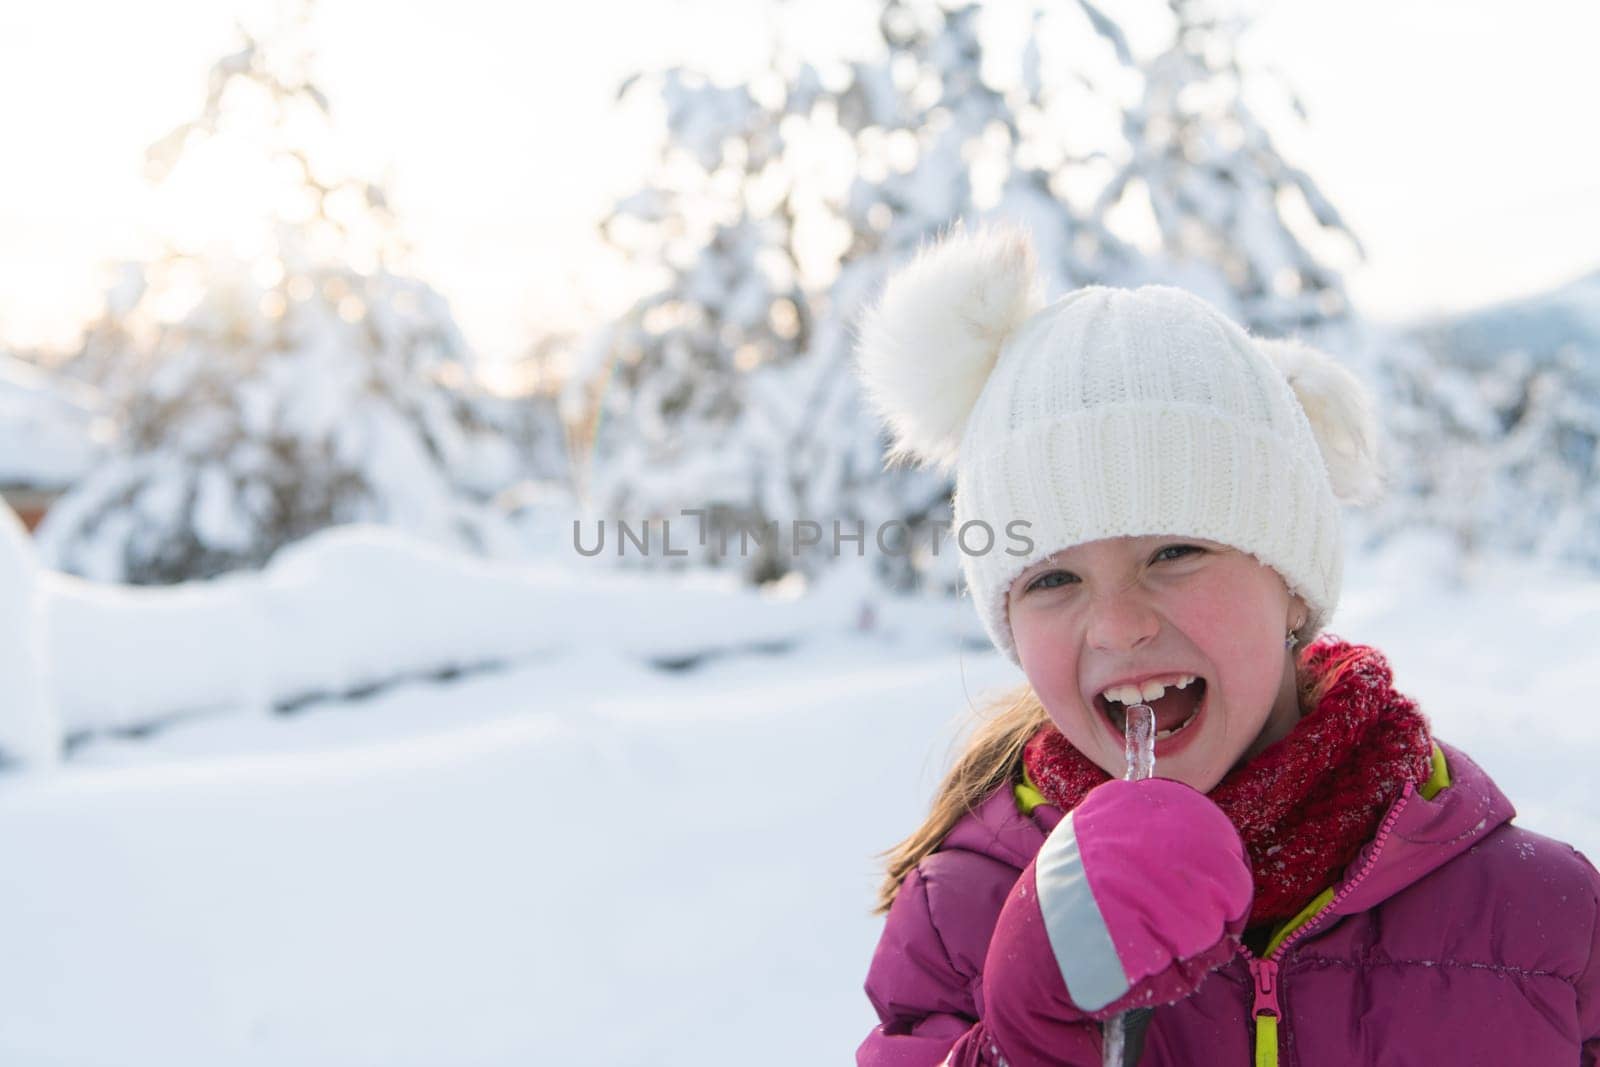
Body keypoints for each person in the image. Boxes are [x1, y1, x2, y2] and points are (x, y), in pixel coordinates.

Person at [850, 227, 1600, 1066]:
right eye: (1053, 581)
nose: (1119, 625)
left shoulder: (1537, 920)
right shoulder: (965, 915)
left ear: (1290, 582)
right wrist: (1029, 1035)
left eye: (1173, 552)